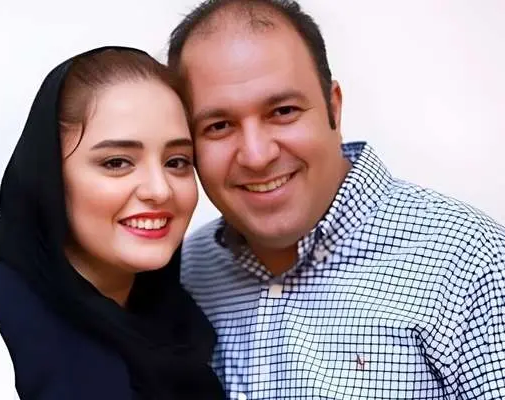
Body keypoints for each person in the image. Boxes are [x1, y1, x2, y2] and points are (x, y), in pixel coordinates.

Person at [167, 0, 505, 398]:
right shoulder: (186, 271)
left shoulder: (473, 267)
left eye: (283, 111)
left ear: (334, 108)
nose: (256, 156)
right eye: (219, 125)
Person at [0, 46, 225, 400]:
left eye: (177, 162)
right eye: (117, 162)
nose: (159, 189)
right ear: (50, 176)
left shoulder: (183, 329)